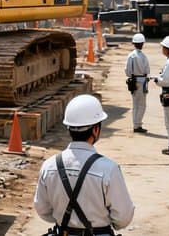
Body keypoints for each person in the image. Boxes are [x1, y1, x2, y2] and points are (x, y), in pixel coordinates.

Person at [34, 94, 135, 235]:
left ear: (68, 127)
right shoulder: (108, 169)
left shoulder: (49, 166)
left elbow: (42, 209)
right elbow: (123, 217)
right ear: (95, 130)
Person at [124, 33, 150, 133]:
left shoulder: (131, 56)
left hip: (135, 81)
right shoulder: (144, 56)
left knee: (135, 104)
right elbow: (147, 70)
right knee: (142, 105)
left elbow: (127, 71)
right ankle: (137, 124)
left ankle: (136, 124)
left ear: (133, 43)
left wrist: (132, 76)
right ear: (142, 44)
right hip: (142, 82)